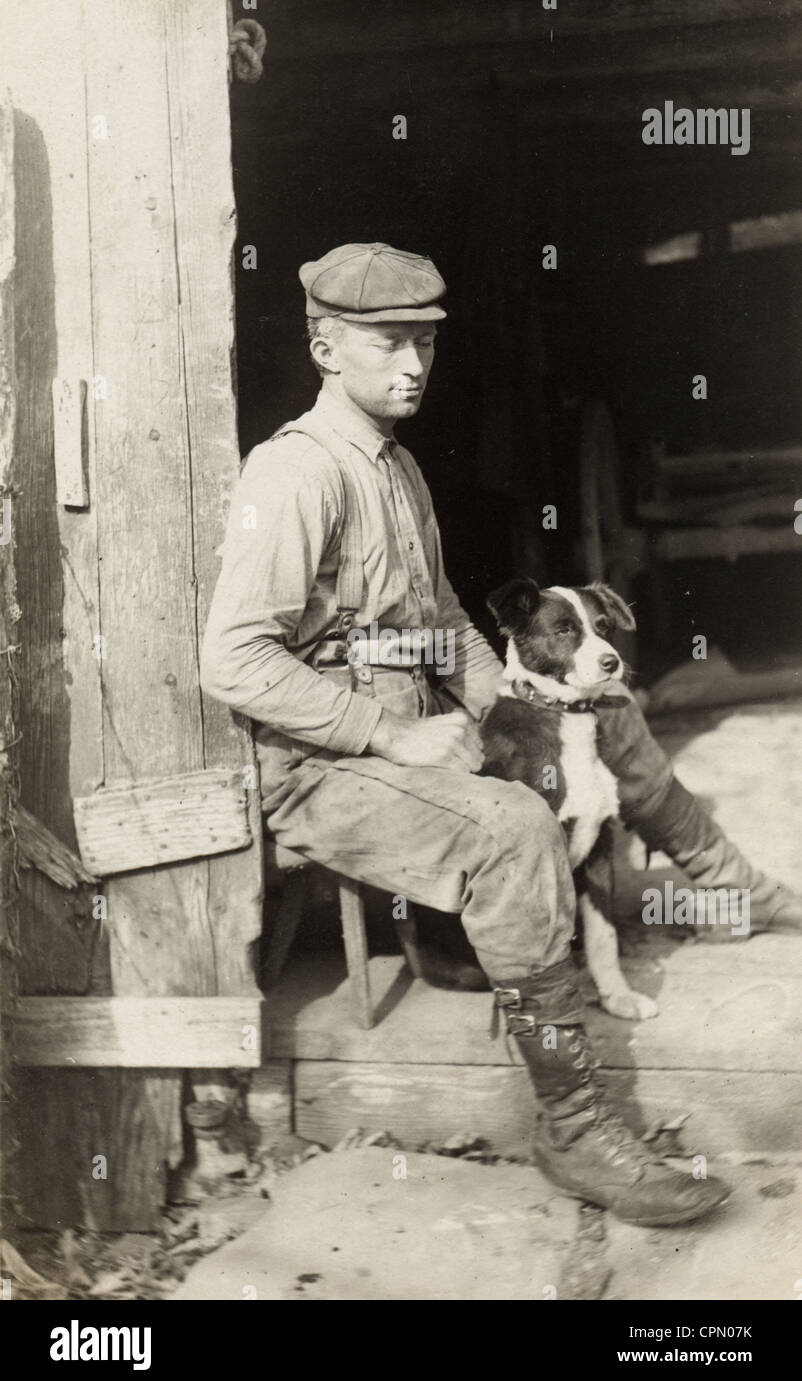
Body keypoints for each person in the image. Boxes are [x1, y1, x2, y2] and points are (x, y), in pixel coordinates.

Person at [201, 242, 798, 1225]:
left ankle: (737, 882)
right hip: (323, 769)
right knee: (514, 828)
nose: (414, 363)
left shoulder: (397, 473)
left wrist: (511, 709)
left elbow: (444, 630)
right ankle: (571, 1121)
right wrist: (389, 738)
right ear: (323, 345)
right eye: (388, 340)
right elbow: (230, 659)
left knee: (608, 712)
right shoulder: (294, 473)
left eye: (425, 342)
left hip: (412, 739)